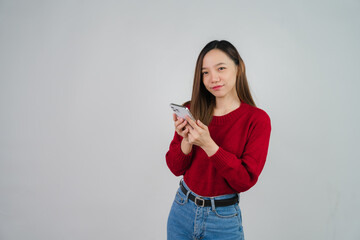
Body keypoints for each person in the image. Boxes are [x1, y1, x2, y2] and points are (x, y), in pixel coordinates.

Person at [165, 40, 271, 240]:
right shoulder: (191, 109)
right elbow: (174, 167)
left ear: (238, 68)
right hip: (182, 210)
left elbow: (244, 180)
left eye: (221, 68)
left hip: (222, 220)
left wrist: (208, 145)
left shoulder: (257, 120)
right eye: (205, 72)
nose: (213, 78)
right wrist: (186, 140)